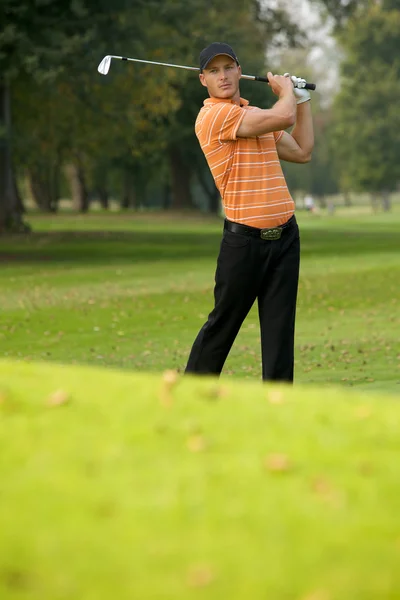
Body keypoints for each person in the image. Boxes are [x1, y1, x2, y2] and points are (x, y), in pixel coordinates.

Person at [185, 42, 314, 382]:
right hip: (244, 244)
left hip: (285, 238)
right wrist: (286, 91)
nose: (223, 76)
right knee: (222, 327)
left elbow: (302, 151)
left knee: (279, 334)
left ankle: (277, 408)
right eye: (214, 71)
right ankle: (188, 399)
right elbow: (282, 116)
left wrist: (302, 100)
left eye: (228, 68)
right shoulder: (213, 116)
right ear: (203, 80)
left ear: (239, 71)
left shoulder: (254, 115)